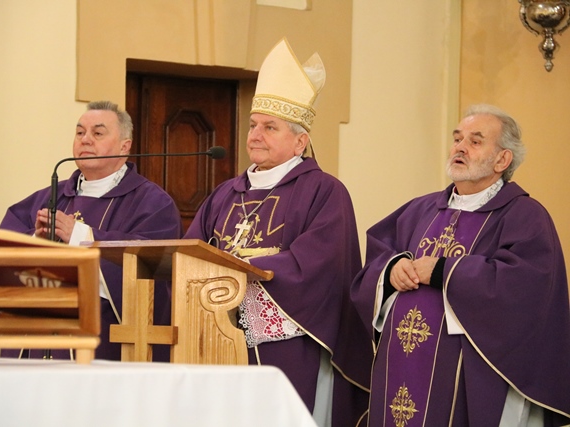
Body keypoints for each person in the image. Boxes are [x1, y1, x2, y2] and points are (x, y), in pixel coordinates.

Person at [184, 38, 372, 427]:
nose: (255, 135)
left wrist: (240, 271)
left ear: (300, 141)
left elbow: (321, 266)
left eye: (270, 127)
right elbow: (189, 251)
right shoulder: (226, 193)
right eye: (254, 125)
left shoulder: (324, 191)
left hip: (288, 345)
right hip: (216, 339)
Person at [351, 104, 570, 426]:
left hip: (472, 372)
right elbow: (376, 258)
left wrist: (443, 271)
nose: (460, 147)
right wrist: (392, 270)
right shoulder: (420, 209)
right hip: (401, 363)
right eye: (457, 139)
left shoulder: (525, 216)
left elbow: (525, 288)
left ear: (502, 160)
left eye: (475, 141)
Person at [0, 100, 182, 361]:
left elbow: (153, 267)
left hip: (103, 346)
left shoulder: (153, 203)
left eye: (97, 133)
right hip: (37, 341)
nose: (85, 140)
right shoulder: (47, 197)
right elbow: (1, 246)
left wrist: (80, 236)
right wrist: (35, 241)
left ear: (125, 146)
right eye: (80, 132)